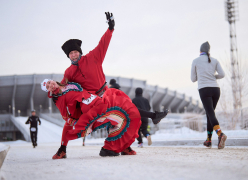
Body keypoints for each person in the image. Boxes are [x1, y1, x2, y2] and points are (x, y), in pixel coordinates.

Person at [59, 12, 168, 155]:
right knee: (118, 110)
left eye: (75, 52)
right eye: (70, 54)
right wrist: (53, 89)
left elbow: (103, 43)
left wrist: (110, 29)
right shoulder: (69, 72)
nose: (73, 55)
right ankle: (62, 149)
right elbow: (62, 88)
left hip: (105, 92)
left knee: (127, 106)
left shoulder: (93, 57)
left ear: (79, 52)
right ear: (68, 56)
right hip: (92, 101)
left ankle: (126, 144)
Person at [41, 79, 141, 159]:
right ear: (48, 91)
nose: (51, 85)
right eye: (48, 87)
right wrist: (75, 122)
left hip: (95, 99)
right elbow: (65, 116)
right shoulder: (58, 98)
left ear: (52, 80)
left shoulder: (66, 82)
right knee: (113, 115)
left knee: (119, 113)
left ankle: (124, 147)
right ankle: (62, 150)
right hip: (87, 112)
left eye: (49, 82)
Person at [191, 41, 227, 149]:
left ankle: (220, 134)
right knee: (209, 114)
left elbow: (193, 79)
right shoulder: (214, 60)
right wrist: (212, 77)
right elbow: (222, 74)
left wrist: (202, 76)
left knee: (210, 114)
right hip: (216, 89)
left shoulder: (195, 61)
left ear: (200, 51)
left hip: (204, 90)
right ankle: (209, 140)